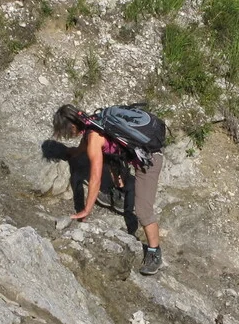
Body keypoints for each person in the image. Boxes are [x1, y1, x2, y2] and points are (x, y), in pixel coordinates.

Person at [52, 105, 164, 275]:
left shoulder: (93, 138)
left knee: (143, 211)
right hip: (137, 154)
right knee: (109, 156)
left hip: (150, 160)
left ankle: (154, 252)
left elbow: (95, 178)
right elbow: (84, 146)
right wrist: (73, 153)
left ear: (73, 126)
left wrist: (86, 210)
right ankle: (120, 194)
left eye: (65, 131)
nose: (66, 135)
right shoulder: (93, 122)